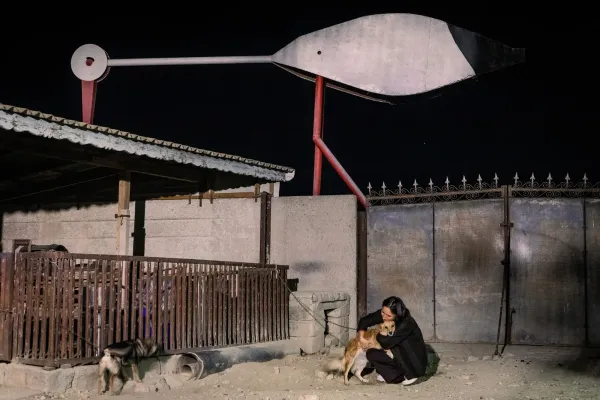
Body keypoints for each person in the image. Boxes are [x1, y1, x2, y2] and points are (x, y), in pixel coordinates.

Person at [356, 296, 428, 385]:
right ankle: (398, 376)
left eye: (388, 315)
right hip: (399, 357)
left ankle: (411, 375)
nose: (384, 317)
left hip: (415, 362)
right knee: (371, 353)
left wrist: (380, 334)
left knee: (395, 344)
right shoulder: (386, 315)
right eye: (383, 312)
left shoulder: (406, 323)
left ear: (397, 315)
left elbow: (387, 343)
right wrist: (361, 338)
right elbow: (364, 321)